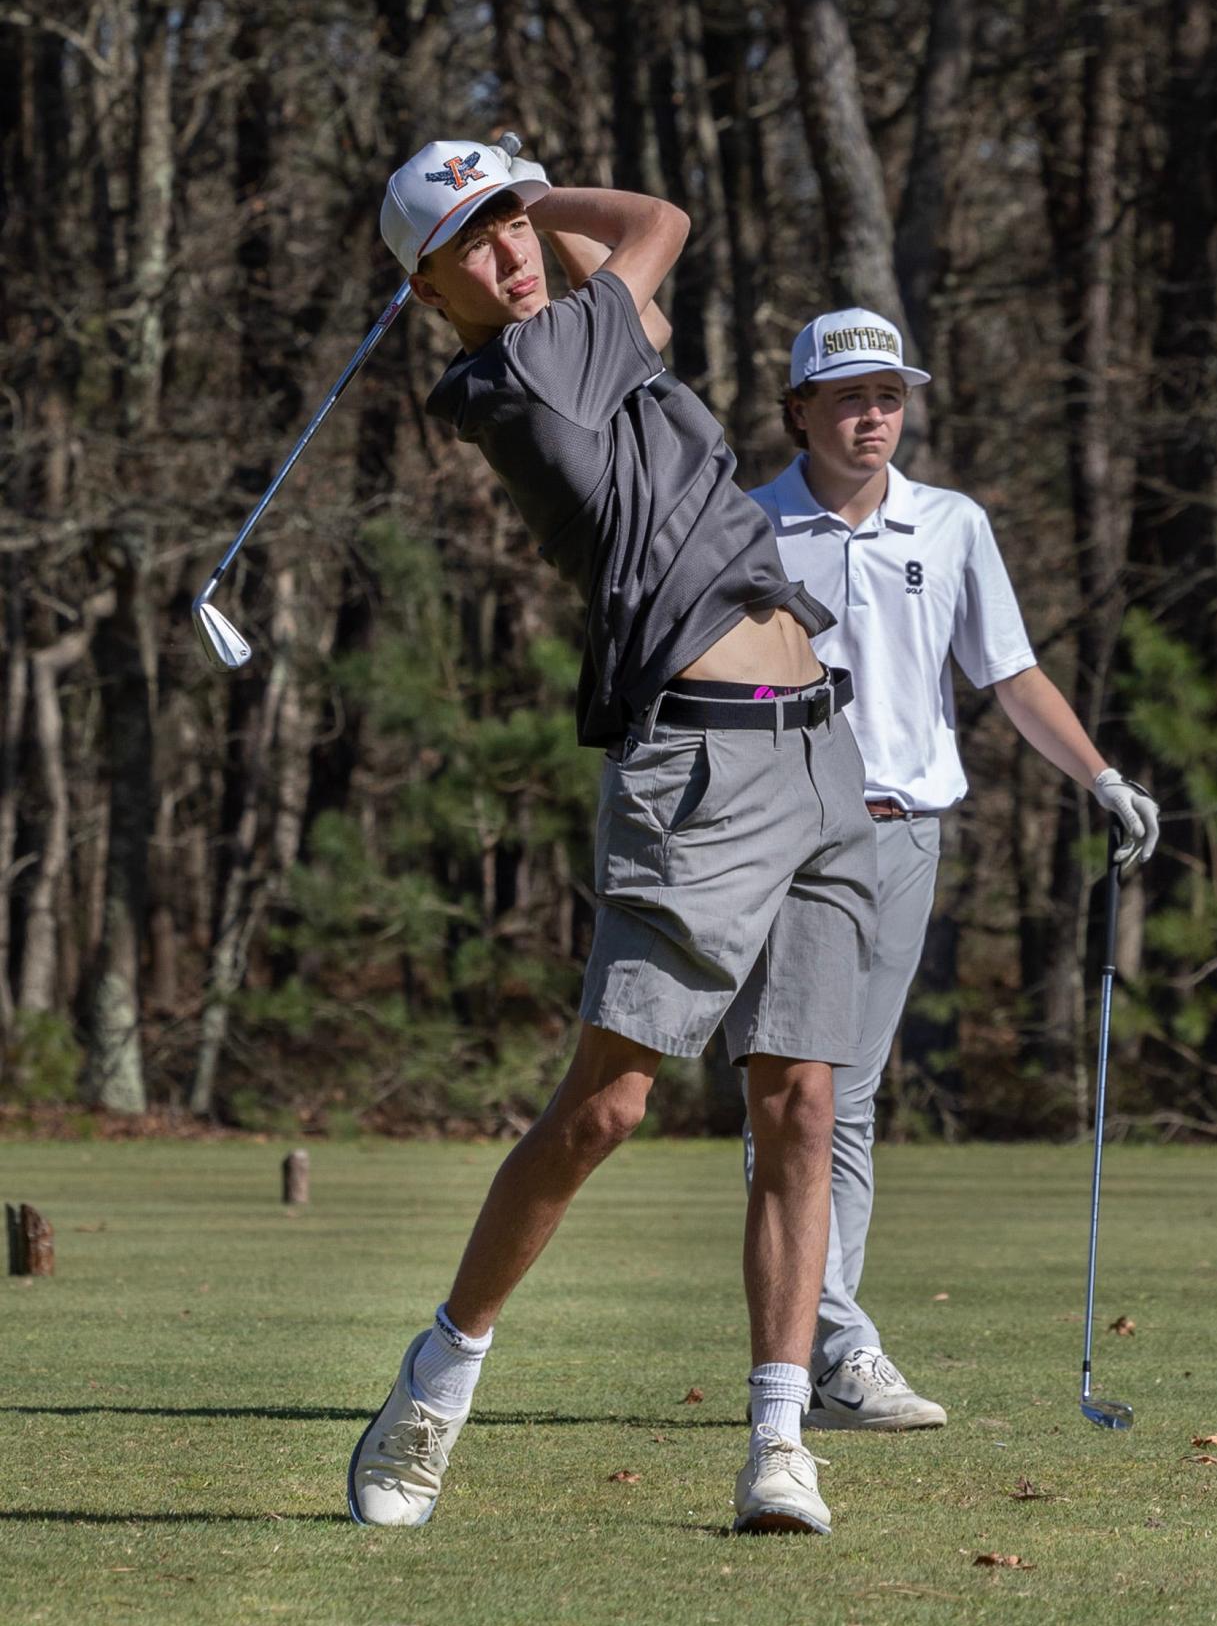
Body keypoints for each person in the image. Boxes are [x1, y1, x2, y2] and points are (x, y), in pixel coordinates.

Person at [346, 141, 877, 1536]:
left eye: (515, 224)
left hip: (819, 742)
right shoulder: (520, 375)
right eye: (470, 243)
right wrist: (535, 178)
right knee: (608, 1107)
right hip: (697, 770)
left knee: (800, 1106)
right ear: (427, 289)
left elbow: (629, 253)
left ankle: (777, 1442)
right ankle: (439, 1375)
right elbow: (655, 222)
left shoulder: (581, 342)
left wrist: (509, 194)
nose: (511, 250)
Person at [746, 307, 1161, 1433]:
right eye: (848, 398)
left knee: (853, 1097)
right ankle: (836, 1346)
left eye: (888, 397)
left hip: (903, 835)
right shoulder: (750, 526)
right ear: (800, 412)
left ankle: (824, 1348)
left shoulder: (953, 524)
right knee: (801, 1094)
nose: (872, 416)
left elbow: (1010, 673)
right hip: (783, 836)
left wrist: (1099, 775)